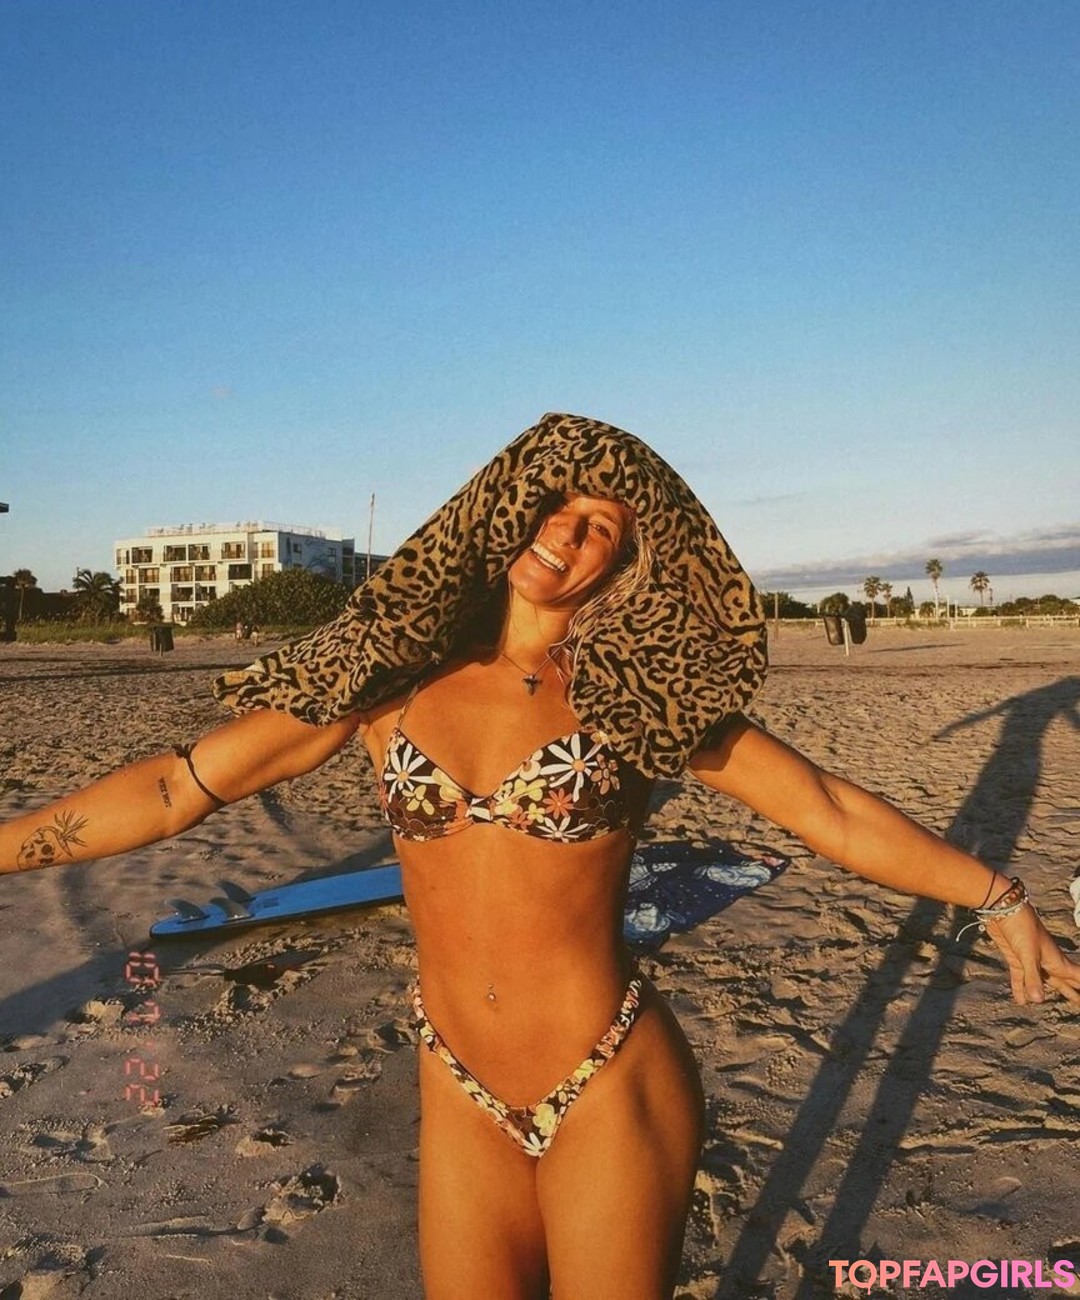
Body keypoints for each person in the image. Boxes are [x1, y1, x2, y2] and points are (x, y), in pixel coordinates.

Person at [3, 414, 1078, 1300]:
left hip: (607, 1079)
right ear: (508, 510)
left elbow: (826, 808)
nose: (568, 533)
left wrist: (996, 896)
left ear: (628, 563)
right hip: (455, 1084)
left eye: (601, 526)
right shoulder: (392, 682)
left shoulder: (634, 702)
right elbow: (177, 785)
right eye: (558, 505)